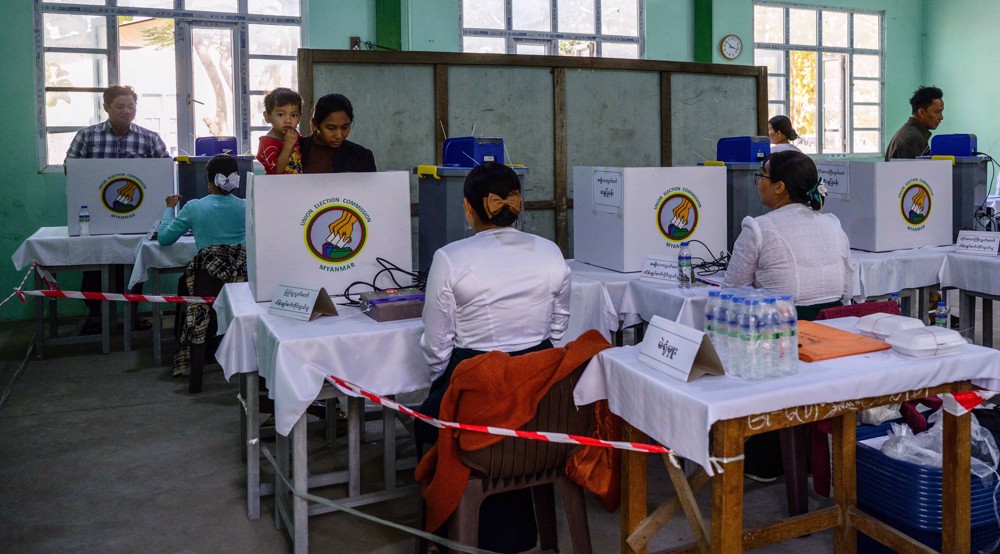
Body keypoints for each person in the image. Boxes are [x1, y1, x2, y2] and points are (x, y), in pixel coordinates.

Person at [415, 162, 571, 552]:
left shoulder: (450, 257)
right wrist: (528, 361)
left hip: (474, 394)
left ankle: (445, 532)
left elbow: (436, 347)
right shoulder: (550, 252)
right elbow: (558, 330)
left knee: (426, 421)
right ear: (518, 204)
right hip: (538, 398)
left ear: (468, 208)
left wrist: (446, 384)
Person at [724, 150, 852, 482]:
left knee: (726, 330)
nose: (758, 183)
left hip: (780, 339)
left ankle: (761, 457)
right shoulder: (832, 224)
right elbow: (849, 288)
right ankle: (811, 455)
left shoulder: (759, 228)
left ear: (779, 187)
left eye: (762, 177)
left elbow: (733, 289)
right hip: (832, 333)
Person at [65, 84, 171, 332]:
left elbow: (165, 172)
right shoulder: (87, 136)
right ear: (106, 107)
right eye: (120, 106)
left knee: (134, 265)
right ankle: (95, 318)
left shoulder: (150, 138)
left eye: (131, 106)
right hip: (96, 218)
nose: (126, 111)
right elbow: (71, 169)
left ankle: (131, 316)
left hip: (137, 216)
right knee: (94, 265)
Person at [159, 154, 247, 382]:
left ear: (209, 180)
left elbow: (164, 239)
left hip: (206, 284)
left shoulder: (194, 207)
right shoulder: (247, 206)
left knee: (184, 284)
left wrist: (169, 209)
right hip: (240, 287)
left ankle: (194, 352)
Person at [300, 93, 377, 173]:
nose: (339, 135)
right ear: (315, 124)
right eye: (331, 128)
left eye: (345, 127)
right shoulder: (296, 150)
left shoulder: (362, 156)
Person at [885, 85, 944, 161]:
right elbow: (913, 168)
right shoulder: (913, 139)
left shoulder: (909, 132)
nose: (941, 117)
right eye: (937, 112)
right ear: (921, 112)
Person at [255, 87, 303, 174]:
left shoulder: (294, 135)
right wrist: (288, 145)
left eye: (294, 115)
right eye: (281, 115)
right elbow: (276, 172)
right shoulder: (267, 142)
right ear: (268, 117)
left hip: (297, 182)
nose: (288, 120)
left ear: (300, 118)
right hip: (275, 183)